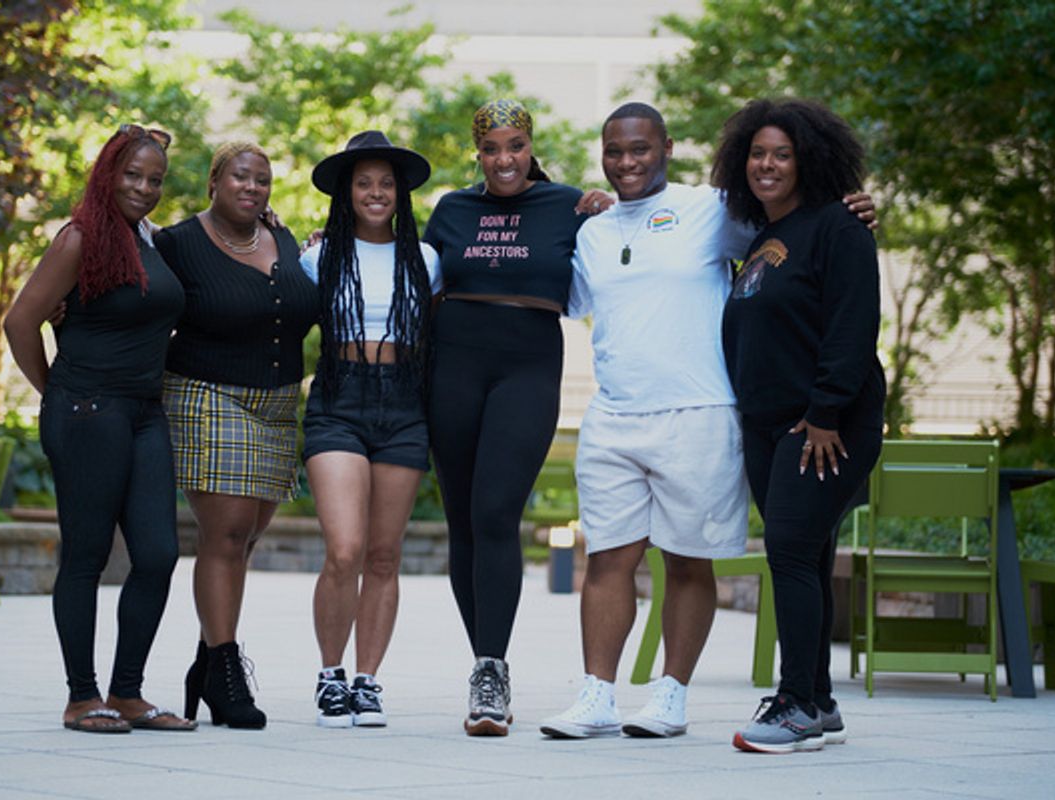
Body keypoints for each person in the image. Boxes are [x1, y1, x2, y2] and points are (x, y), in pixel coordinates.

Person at [539, 102, 875, 741]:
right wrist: (573, 211)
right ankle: (597, 696)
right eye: (614, 151)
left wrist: (852, 210)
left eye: (640, 149)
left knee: (688, 560)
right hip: (613, 413)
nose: (627, 162)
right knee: (607, 558)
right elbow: (570, 298)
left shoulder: (716, 209)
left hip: (699, 411)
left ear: (666, 147)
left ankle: (671, 695)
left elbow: (801, 233)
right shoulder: (594, 232)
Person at [422, 99, 605, 736]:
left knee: (497, 513)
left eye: (516, 146)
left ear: (531, 146)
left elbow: (630, 240)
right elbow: (411, 276)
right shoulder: (451, 209)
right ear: (478, 151)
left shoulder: (570, 205)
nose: (505, 159)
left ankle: (491, 667)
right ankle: (487, 667)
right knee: (463, 522)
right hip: (453, 369)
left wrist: (616, 209)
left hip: (527, 370)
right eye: (492, 148)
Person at [5, 124, 194, 733]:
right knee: (86, 555)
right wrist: (56, 391)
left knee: (159, 554)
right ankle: (83, 696)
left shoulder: (149, 240)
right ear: (107, 174)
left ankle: (129, 693)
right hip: (88, 409)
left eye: (155, 179)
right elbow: (19, 322)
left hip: (143, 412)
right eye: (133, 175)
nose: (143, 187)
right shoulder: (79, 238)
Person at [714, 98, 884, 753]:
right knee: (805, 553)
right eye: (757, 153)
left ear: (807, 159)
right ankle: (818, 699)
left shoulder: (840, 227)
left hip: (822, 424)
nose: (767, 164)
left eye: (781, 153)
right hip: (767, 425)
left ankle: (794, 704)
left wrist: (824, 413)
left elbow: (852, 325)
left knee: (786, 550)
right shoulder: (761, 237)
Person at [155, 142, 319, 729]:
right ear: (214, 183)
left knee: (244, 539)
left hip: (277, 405)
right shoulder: (178, 244)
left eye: (263, 180)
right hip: (207, 393)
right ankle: (227, 672)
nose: (253, 188)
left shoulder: (286, 240)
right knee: (224, 535)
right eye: (241, 177)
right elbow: (139, 296)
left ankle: (206, 662)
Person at [300, 131, 441, 728]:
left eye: (386, 183)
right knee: (346, 549)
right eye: (364, 183)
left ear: (401, 193)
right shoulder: (318, 256)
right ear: (346, 192)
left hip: (403, 404)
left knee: (384, 555)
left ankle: (367, 681)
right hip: (339, 398)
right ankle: (330, 675)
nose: (376, 192)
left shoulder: (426, 259)